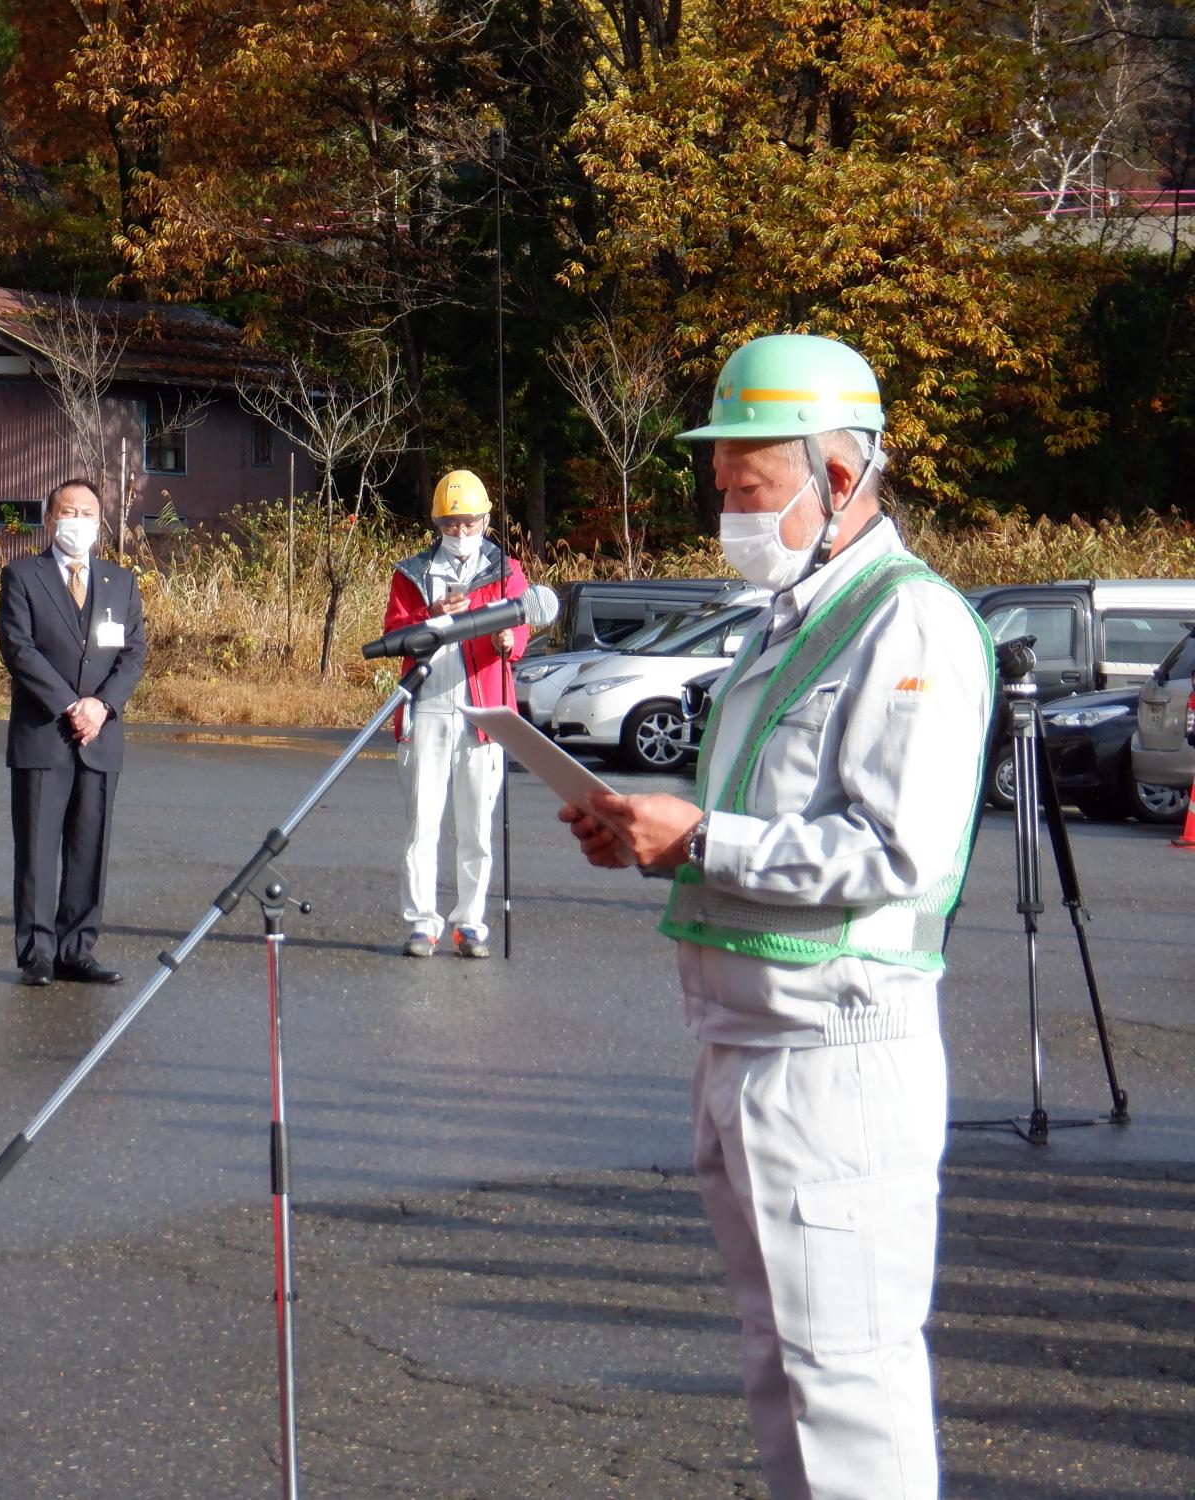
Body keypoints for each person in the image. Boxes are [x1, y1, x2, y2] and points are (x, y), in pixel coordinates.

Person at [560, 333, 992, 1500]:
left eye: (749, 491)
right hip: (743, 1040)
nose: (729, 516)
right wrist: (657, 836)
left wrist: (697, 836)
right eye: (722, 492)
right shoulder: (789, 615)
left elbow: (890, 853)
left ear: (837, 478)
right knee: (781, 1367)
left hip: (834, 1052)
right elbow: (764, 821)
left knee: (845, 1384)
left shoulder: (909, 626)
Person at [382, 470, 541, 959]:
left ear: (486, 520)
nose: (460, 533)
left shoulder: (505, 570)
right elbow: (393, 631)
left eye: (469, 523)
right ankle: (420, 923)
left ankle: (470, 923)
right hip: (427, 706)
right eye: (450, 524)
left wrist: (510, 642)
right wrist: (430, 613)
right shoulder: (412, 571)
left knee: (475, 827)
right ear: (437, 523)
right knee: (422, 825)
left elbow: (522, 624)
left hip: (483, 711)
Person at [0, 479, 148, 987]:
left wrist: (102, 706)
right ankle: (37, 951)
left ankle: (77, 947)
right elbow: (19, 650)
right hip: (44, 732)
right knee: (37, 848)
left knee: (90, 845)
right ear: (49, 519)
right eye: (67, 511)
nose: (77, 520)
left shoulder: (120, 583)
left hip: (100, 736)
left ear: (99, 521)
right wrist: (69, 704)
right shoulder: (22, 576)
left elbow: (132, 654)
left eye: (86, 512)